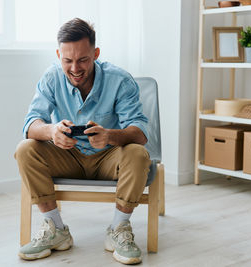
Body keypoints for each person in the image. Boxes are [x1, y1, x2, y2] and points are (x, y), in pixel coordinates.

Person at [14, 18, 151, 265]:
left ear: (96, 53)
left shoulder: (120, 80)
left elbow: (139, 132)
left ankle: (119, 229)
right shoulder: (51, 77)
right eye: (67, 60)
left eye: (83, 59)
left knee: (138, 154)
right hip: (67, 156)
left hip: (109, 158)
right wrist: (51, 131)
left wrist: (110, 135)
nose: (75, 68)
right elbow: (31, 124)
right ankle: (56, 229)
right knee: (25, 149)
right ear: (59, 55)